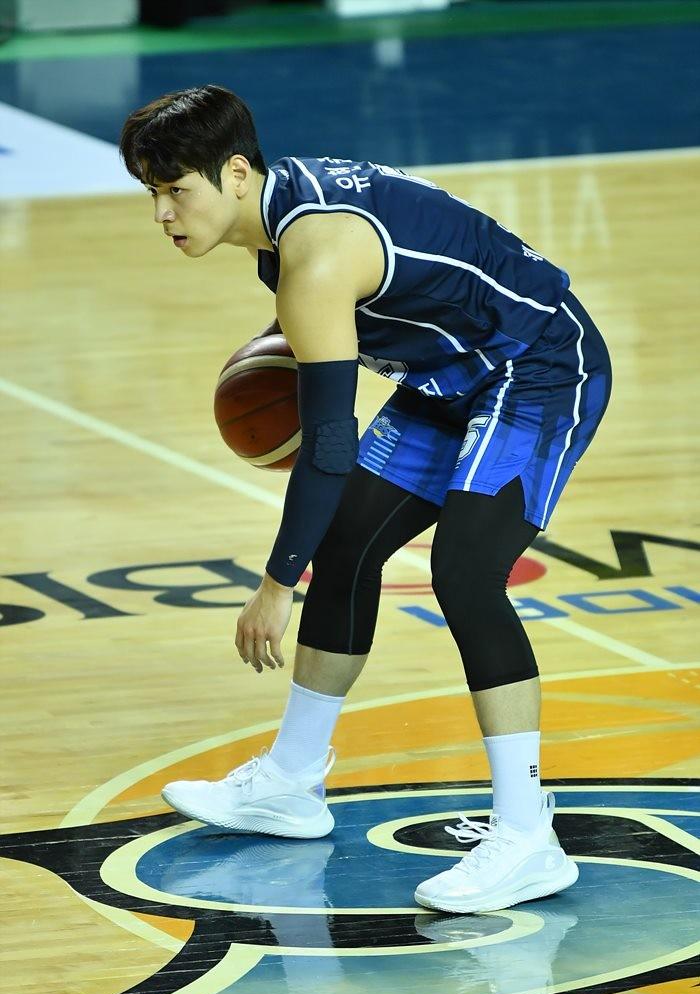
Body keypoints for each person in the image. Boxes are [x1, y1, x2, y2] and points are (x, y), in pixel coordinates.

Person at [120, 84, 611, 914]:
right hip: (448, 372)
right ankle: (291, 782)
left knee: (465, 574)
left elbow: (328, 449)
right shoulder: (282, 217)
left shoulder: (314, 260)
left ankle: (528, 836)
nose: (163, 213)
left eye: (177, 190)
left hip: (535, 366)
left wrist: (276, 585)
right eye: (152, 193)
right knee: (347, 543)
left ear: (235, 173)